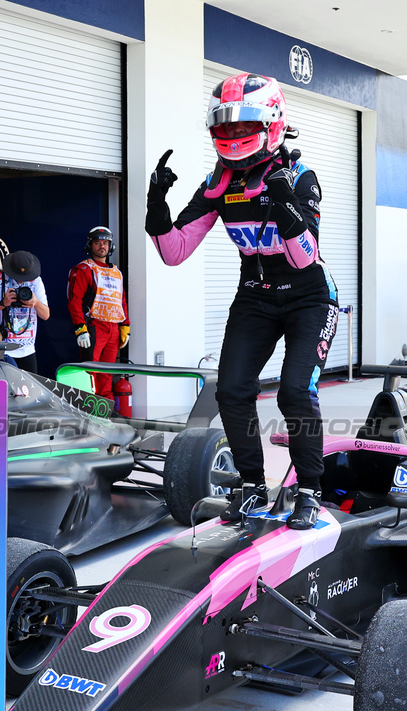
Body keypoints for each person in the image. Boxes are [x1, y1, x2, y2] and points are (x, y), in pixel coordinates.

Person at [145, 72, 338, 530]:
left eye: (242, 125)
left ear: (272, 121)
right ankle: (252, 487)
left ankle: (310, 490)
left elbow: (304, 257)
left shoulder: (300, 175)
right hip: (255, 296)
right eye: (225, 125)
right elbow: (174, 253)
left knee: (295, 390)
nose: (232, 134)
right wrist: (156, 203)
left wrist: (287, 205)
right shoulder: (218, 182)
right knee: (230, 390)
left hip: (309, 295)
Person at [67, 227, 129, 400]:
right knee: (90, 371)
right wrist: (80, 328)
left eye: (105, 243)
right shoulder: (84, 269)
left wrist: (125, 326)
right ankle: (88, 410)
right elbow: (74, 301)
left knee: (108, 372)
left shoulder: (117, 272)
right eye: (97, 243)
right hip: (94, 326)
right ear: (90, 245)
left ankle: (106, 410)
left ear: (111, 246)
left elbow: (121, 301)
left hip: (113, 329)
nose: (102, 246)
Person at [0, 250, 50, 373]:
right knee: (0, 390)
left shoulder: (36, 280)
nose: (21, 281)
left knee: (28, 390)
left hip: (26, 349)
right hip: (0, 348)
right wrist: (3, 303)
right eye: (18, 277)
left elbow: (46, 315)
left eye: (25, 278)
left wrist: (36, 303)